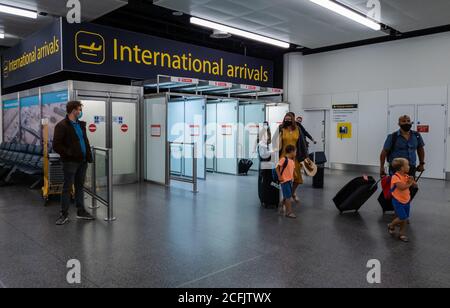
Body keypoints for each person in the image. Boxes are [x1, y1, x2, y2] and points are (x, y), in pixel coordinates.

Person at [53, 101, 95, 225]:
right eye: (79, 109)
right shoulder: (62, 125)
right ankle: (64, 214)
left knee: (79, 187)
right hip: (70, 162)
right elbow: (56, 145)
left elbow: (84, 141)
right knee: (67, 188)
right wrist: (70, 153)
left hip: (82, 161)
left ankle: (80, 211)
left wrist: (88, 156)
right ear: (73, 110)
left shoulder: (80, 125)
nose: (80, 112)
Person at [277, 112, 308, 202]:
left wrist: (306, 156)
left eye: (289, 120)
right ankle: (286, 196)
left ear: (292, 120)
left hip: (295, 157)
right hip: (283, 157)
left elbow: (302, 144)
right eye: (286, 119)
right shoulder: (281, 128)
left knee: (298, 178)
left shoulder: (297, 129)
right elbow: (274, 141)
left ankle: (292, 193)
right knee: (285, 179)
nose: (287, 121)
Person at [387, 158, 417, 243]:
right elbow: (402, 187)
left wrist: (413, 182)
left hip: (406, 200)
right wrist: (410, 183)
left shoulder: (406, 176)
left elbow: (415, 186)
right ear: (401, 168)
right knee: (402, 217)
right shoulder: (395, 177)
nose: (409, 166)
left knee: (405, 218)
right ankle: (391, 225)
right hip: (398, 201)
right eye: (407, 165)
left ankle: (402, 233)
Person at [276, 145, 297, 219]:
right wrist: (279, 176)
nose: (296, 153)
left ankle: (281, 203)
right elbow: (277, 168)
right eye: (295, 151)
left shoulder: (292, 161)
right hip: (284, 181)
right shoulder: (283, 159)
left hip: (290, 181)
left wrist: (294, 174)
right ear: (291, 151)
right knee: (288, 197)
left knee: (287, 195)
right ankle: (289, 212)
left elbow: (292, 170)